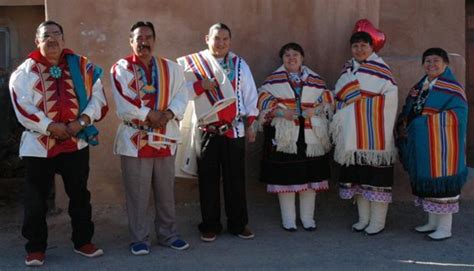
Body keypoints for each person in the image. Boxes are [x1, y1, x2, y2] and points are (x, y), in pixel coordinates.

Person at [9, 20, 108, 266]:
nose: (51, 39)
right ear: (37, 41)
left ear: (63, 39)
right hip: (38, 145)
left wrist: (82, 122)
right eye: (46, 35)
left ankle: (83, 241)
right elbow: (23, 106)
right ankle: (35, 248)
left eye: (56, 34)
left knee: (79, 195)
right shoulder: (24, 72)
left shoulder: (83, 67)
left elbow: (99, 98)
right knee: (35, 198)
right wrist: (50, 126)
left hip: (76, 142)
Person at [110, 21, 189, 255]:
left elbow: (181, 95)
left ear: (154, 40)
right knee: (137, 193)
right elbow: (123, 103)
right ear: (131, 41)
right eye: (138, 38)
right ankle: (139, 238)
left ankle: (168, 234)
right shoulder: (121, 68)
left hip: (165, 136)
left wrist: (169, 114)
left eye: (148, 37)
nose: (143, 42)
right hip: (135, 140)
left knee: (166, 192)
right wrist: (148, 114)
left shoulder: (171, 68)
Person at [177, 23, 259, 242]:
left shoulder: (240, 64)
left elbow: (250, 95)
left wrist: (251, 123)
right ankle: (210, 225)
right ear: (207, 39)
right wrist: (200, 86)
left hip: (234, 130)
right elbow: (178, 93)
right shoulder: (192, 64)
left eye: (225, 39)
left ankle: (238, 224)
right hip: (206, 130)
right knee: (207, 179)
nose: (220, 43)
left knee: (236, 180)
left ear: (230, 41)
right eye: (216, 38)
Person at [257, 43, 333, 231]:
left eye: (295, 54)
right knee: (287, 178)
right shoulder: (273, 81)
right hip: (285, 137)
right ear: (282, 60)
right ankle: (289, 220)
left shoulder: (315, 80)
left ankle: (308, 219)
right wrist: (282, 113)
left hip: (310, 136)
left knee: (310, 178)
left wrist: (314, 110)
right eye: (287, 55)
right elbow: (262, 100)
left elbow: (328, 99)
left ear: (302, 58)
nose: (291, 58)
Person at [396, 48, 468, 240]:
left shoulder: (453, 89)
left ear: (446, 64)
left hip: (443, 146)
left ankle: (445, 228)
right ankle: (432, 222)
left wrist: (421, 124)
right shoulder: (420, 87)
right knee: (428, 184)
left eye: (436, 61)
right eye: (427, 61)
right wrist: (404, 122)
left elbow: (458, 116)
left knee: (442, 186)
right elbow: (409, 108)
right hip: (424, 145)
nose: (431, 65)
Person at [331, 31, 398, 235]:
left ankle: (377, 222)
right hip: (353, 135)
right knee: (358, 179)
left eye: (363, 46)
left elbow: (390, 98)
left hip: (375, 134)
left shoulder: (381, 70)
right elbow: (338, 97)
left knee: (376, 179)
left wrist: (358, 103)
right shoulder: (347, 69)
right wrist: (353, 101)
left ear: (372, 48)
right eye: (355, 46)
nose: (359, 50)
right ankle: (363, 218)